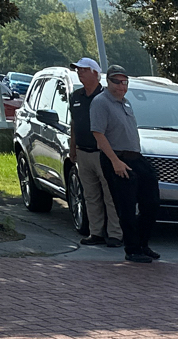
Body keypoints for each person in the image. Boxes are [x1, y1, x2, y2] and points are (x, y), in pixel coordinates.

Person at [90, 65, 159, 264]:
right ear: (108, 81)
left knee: (152, 201)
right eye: (117, 81)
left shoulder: (126, 102)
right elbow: (98, 134)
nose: (121, 86)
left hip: (135, 157)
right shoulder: (100, 102)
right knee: (126, 205)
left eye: (124, 82)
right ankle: (132, 249)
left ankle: (143, 244)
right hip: (116, 158)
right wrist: (115, 161)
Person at [67, 57, 121, 248]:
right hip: (83, 153)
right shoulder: (75, 96)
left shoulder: (107, 96)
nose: (79, 73)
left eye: (83, 69)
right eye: (78, 70)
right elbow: (74, 124)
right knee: (90, 195)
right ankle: (96, 232)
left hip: (102, 153)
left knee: (110, 195)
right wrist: (72, 148)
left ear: (95, 73)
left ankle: (115, 233)